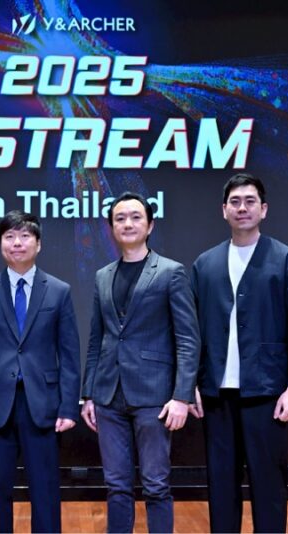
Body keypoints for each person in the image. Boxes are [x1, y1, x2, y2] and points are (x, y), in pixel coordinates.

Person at [190, 173, 288, 533]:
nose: (242, 208)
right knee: (221, 484)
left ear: (264, 209)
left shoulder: (287, 260)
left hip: (267, 392)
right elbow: (192, 332)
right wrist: (191, 385)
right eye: (235, 201)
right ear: (223, 210)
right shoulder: (205, 264)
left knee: (269, 483)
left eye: (250, 201)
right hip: (216, 394)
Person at [81, 192, 200, 533]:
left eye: (136, 217)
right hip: (108, 396)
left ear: (150, 225)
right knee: (116, 486)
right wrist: (88, 394)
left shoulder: (171, 272)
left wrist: (182, 396)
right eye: (120, 218)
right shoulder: (103, 276)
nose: (128, 223)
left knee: (156, 485)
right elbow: (97, 339)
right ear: (111, 228)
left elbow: (188, 339)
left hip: (155, 396)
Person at [0, 210, 81, 533]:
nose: (17, 243)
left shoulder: (58, 291)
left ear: (38, 244)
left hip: (43, 404)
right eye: (9, 236)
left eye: (25, 236)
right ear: (1, 243)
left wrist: (69, 407)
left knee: (45, 490)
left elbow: (69, 354)